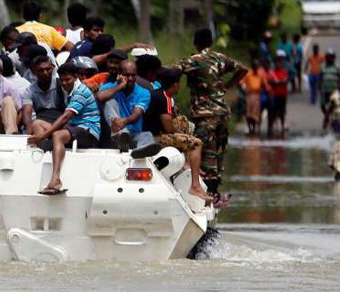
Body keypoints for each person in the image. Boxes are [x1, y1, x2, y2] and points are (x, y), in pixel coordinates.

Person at [177, 27, 248, 197]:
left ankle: (206, 190)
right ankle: (215, 190)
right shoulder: (220, 58)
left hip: (205, 114)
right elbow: (243, 69)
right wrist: (227, 86)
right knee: (218, 151)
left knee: (202, 150)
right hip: (222, 112)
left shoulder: (193, 60)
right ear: (211, 42)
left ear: (195, 43)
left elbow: (172, 71)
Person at [28, 62, 101, 195]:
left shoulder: (80, 92)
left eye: (68, 79)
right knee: (38, 123)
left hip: (89, 131)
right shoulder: (69, 90)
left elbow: (66, 117)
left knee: (57, 135)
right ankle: (43, 157)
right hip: (74, 128)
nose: (65, 83)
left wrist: (43, 136)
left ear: (76, 77)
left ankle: (56, 180)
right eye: (62, 80)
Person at [144, 68, 214, 203]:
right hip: (156, 137)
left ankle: (190, 162)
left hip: (154, 132)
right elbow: (168, 127)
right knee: (196, 143)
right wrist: (182, 134)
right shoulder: (164, 98)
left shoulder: (158, 94)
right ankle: (195, 186)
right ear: (175, 85)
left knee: (184, 124)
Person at [96, 60, 156, 153]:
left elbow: (137, 113)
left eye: (133, 75)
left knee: (148, 135)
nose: (130, 78)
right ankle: (120, 134)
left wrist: (124, 122)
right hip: (113, 135)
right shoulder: (109, 87)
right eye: (127, 75)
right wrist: (120, 86)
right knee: (110, 102)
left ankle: (140, 153)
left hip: (133, 135)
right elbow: (99, 97)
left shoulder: (143, 92)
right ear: (119, 75)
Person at [26, 56, 65, 123]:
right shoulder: (30, 90)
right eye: (41, 70)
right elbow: (27, 112)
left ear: (53, 68)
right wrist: (28, 128)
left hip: (61, 121)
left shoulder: (62, 85)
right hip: (41, 121)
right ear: (34, 72)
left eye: (48, 69)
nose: (45, 73)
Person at [241, 58, 268, 136]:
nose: (256, 68)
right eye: (254, 66)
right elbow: (242, 83)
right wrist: (244, 88)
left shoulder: (260, 74)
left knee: (256, 113)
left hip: (257, 95)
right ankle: (250, 128)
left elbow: (265, 84)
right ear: (252, 67)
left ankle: (255, 128)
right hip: (249, 95)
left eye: (257, 66)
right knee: (248, 113)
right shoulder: (248, 74)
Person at [267, 50, 290, 137]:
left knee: (282, 110)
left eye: (279, 62)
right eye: (276, 62)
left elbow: (285, 81)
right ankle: (271, 126)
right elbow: (270, 81)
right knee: (273, 110)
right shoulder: (271, 72)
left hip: (282, 94)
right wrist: (279, 82)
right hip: (274, 94)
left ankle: (283, 124)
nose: (278, 64)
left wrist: (277, 82)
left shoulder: (284, 71)